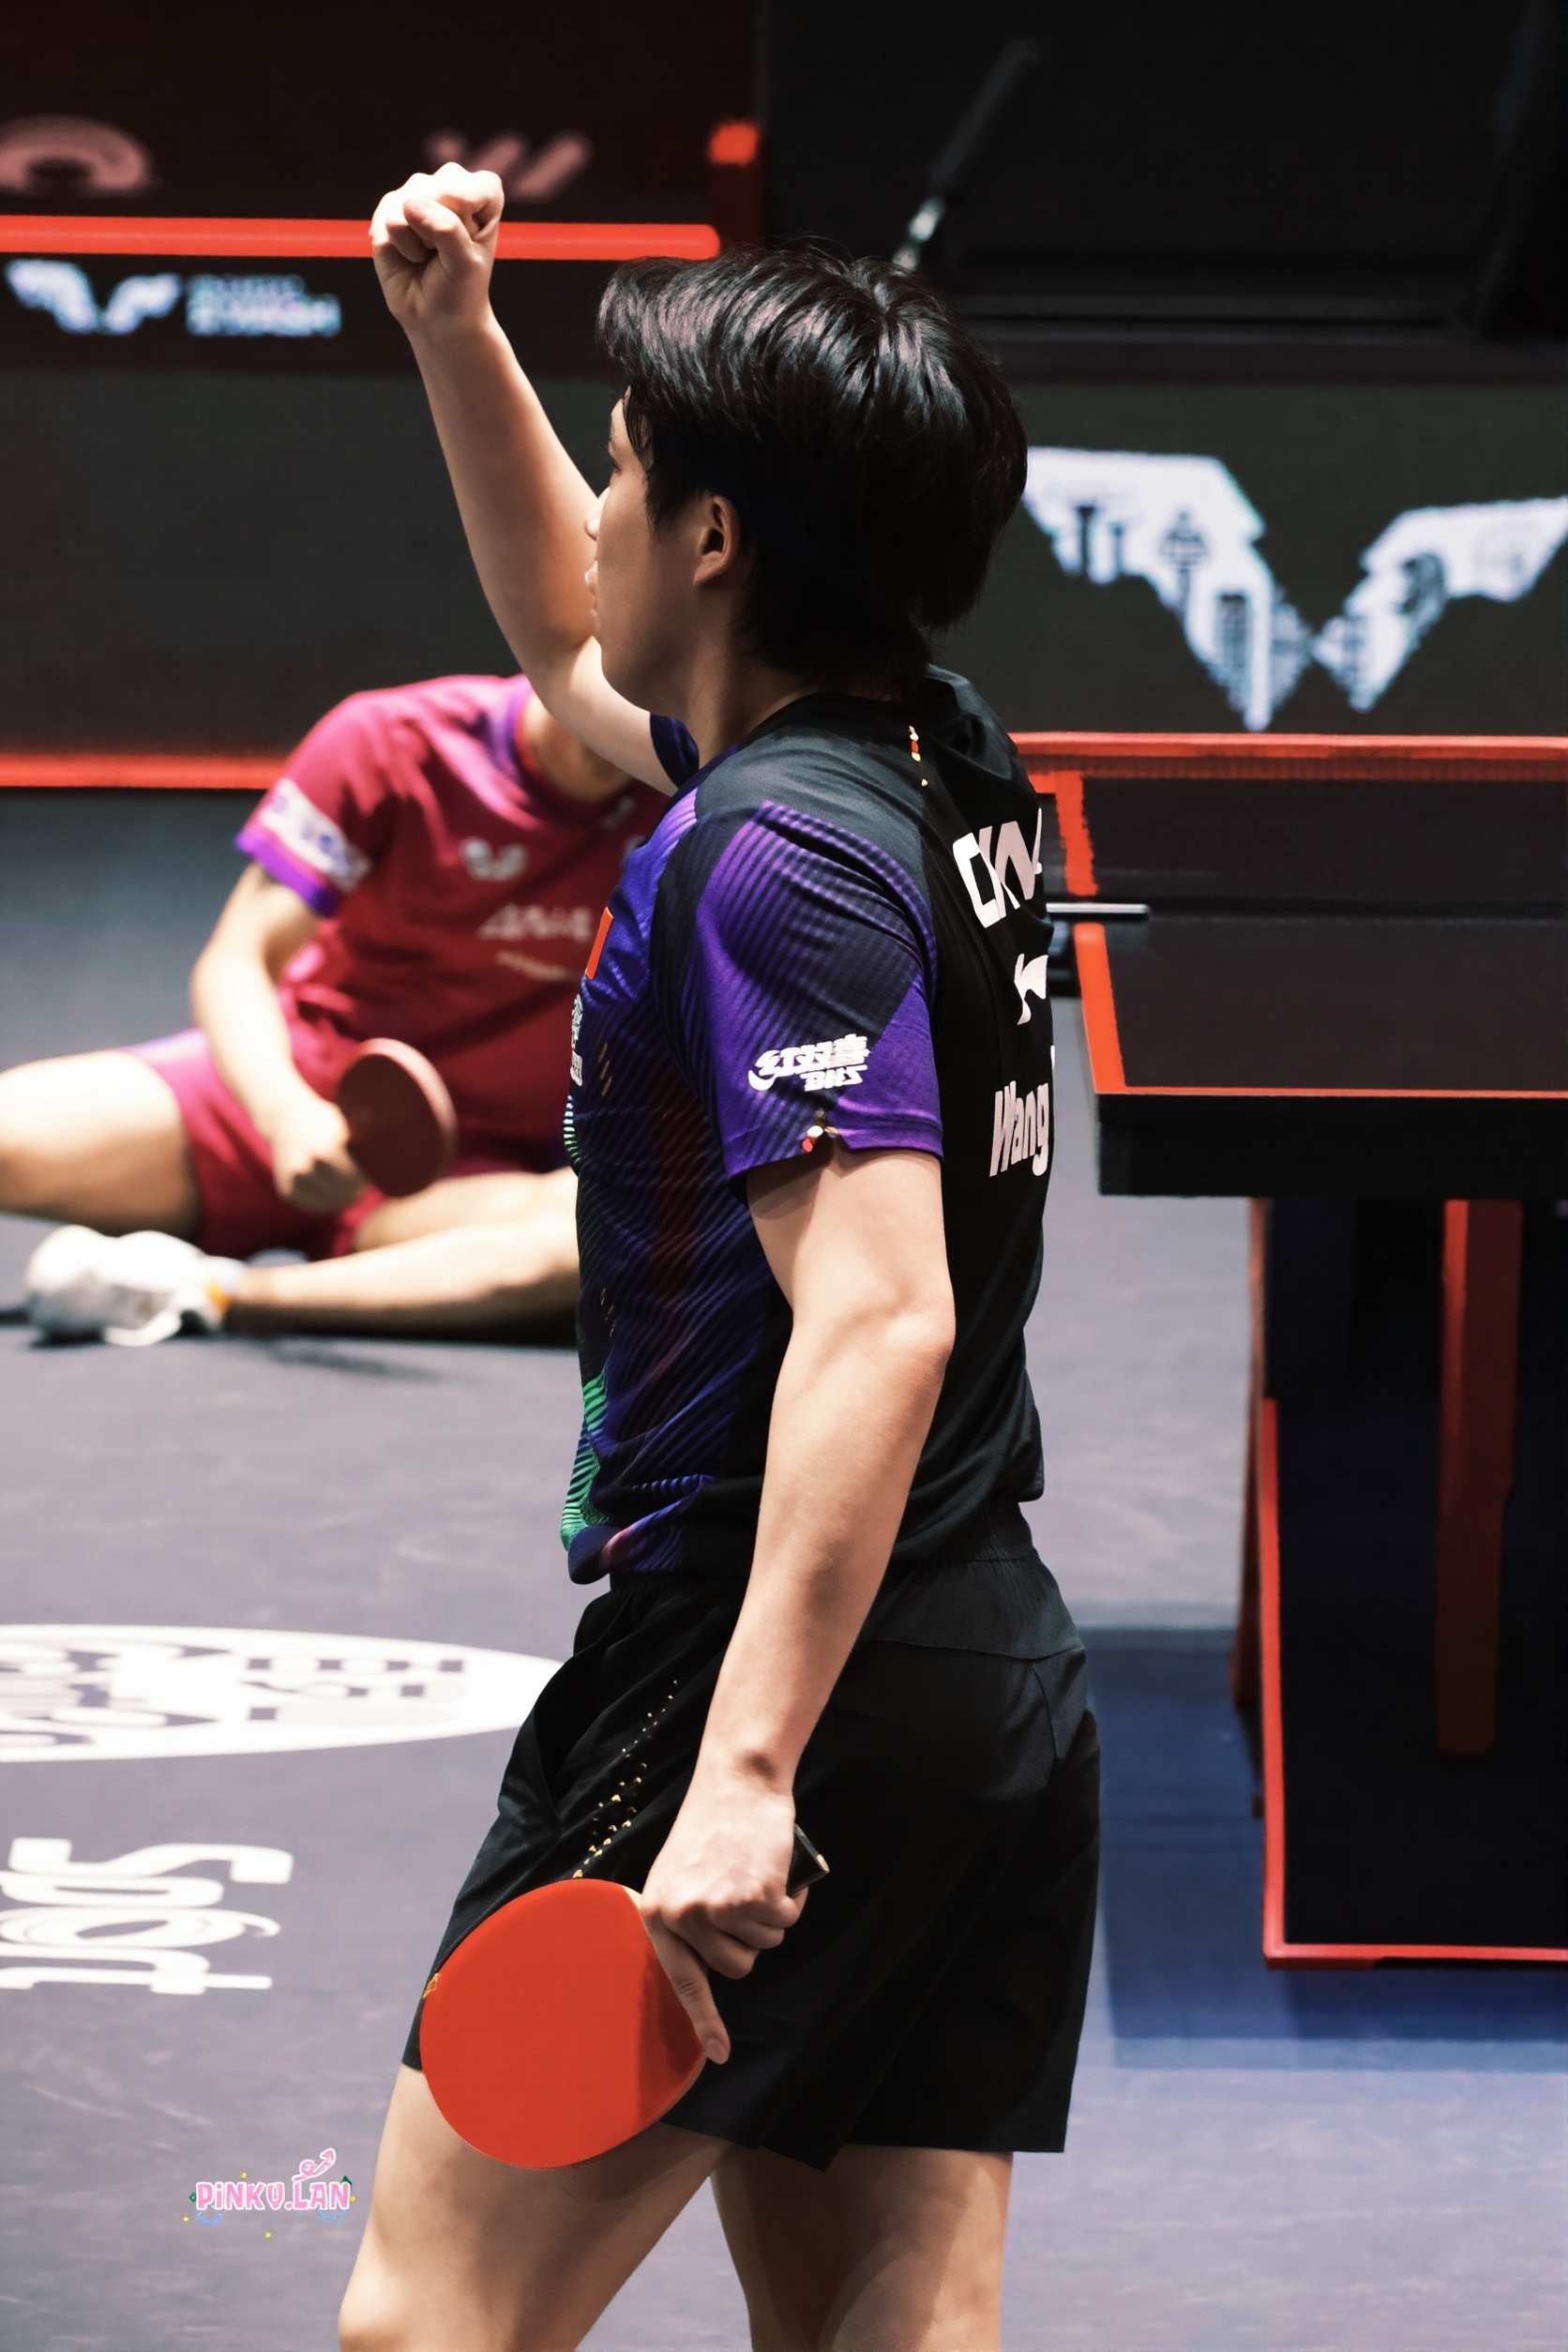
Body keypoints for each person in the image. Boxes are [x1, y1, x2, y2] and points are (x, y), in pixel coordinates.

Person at [339, 166, 1098, 2352]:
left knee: (429, 2321)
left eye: (623, 468)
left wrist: (743, 1765)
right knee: (881, 2329)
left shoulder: (769, 867)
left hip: (767, 1672)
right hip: (969, 1671)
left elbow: (879, 1311)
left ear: (710, 540)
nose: (595, 505)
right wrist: (454, 334)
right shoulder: (925, 760)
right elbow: (560, 647)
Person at [3, 673, 667, 1342]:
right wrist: (285, 1112)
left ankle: (206, 1291)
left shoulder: (691, 803)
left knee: (603, 1229)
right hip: (281, 1090)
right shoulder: (392, 740)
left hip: (469, 1179)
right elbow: (237, 961)